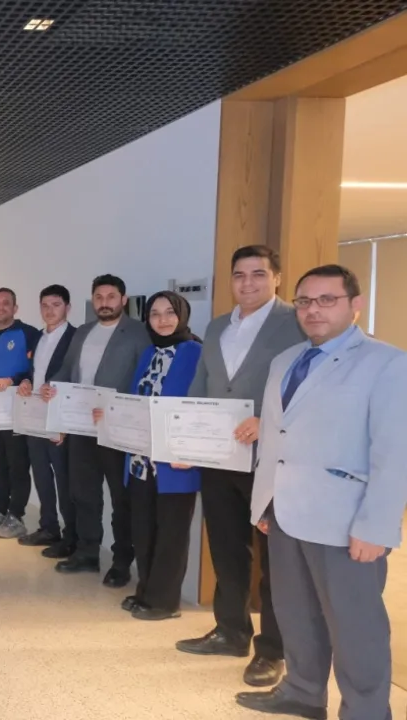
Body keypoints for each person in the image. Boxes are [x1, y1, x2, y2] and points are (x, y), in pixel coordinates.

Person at [236, 265, 407, 720]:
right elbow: (276, 437)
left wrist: (376, 526)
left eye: (327, 299)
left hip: (345, 521)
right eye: (305, 301)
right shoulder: (285, 360)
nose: (314, 310)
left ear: (355, 305)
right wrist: (265, 502)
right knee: (295, 613)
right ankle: (303, 692)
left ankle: (367, 710)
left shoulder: (387, 363)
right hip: (284, 513)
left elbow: (394, 454)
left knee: (355, 626)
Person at [177, 245, 301, 687]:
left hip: (271, 460)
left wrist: (267, 420)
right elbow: (202, 385)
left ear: (277, 278)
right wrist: (186, 439)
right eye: (239, 275)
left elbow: (306, 388)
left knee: (275, 559)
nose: (247, 283)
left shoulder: (296, 323)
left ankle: (273, 651)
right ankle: (230, 631)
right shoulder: (217, 326)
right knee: (227, 551)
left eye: (258, 274)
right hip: (219, 459)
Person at [43, 274, 148, 587]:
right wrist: (52, 386)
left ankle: (121, 562)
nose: (105, 303)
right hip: (81, 427)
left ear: (123, 300)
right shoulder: (84, 331)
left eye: (111, 297)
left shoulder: (139, 332)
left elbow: (143, 379)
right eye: (99, 297)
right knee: (83, 493)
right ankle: (88, 553)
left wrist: (124, 413)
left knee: (121, 499)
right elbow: (67, 369)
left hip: (116, 429)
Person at [113, 291, 202, 621]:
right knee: (144, 530)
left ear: (182, 315)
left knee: (171, 534)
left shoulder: (195, 351)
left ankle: (165, 602)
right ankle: (146, 591)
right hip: (141, 459)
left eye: (169, 313)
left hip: (175, 461)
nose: (162, 320)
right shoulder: (150, 351)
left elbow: (202, 406)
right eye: (154, 314)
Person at [0, 288, 41, 539]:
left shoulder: (28, 334)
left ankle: (16, 516)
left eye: (6, 303)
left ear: (15, 308)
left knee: (18, 466)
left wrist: (16, 379)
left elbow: (38, 368)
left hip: (16, 413)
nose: (1, 307)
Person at [16, 285, 77, 551]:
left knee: (64, 479)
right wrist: (26, 381)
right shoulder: (38, 338)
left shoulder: (75, 338)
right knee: (41, 475)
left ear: (67, 307)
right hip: (35, 418)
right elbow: (32, 371)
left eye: (56, 305)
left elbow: (78, 378)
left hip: (59, 420)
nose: (49, 311)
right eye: (45, 305)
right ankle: (48, 527)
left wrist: (66, 422)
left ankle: (71, 536)